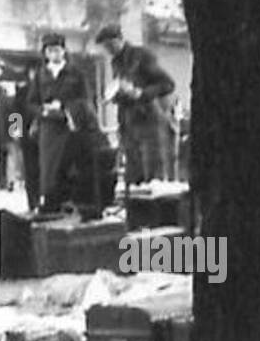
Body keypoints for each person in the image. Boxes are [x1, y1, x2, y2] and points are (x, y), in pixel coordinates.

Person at [94, 24, 176, 184]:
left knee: (152, 173)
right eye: (105, 48)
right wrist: (114, 96)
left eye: (110, 46)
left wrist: (141, 93)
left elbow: (167, 84)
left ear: (119, 40)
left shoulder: (141, 56)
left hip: (148, 121)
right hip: (128, 123)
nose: (108, 51)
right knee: (133, 175)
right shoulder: (115, 62)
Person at [24, 32, 91, 212]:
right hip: (48, 128)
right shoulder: (40, 75)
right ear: (45, 53)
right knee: (48, 167)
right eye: (50, 51)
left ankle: (69, 201)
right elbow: (30, 103)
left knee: (69, 165)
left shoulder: (76, 73)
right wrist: (44, 110)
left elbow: (85, 100)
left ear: (63, 51)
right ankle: (49, 202)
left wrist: (65, 107)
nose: (54, 54)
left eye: (57, 50)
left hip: (69, 126)